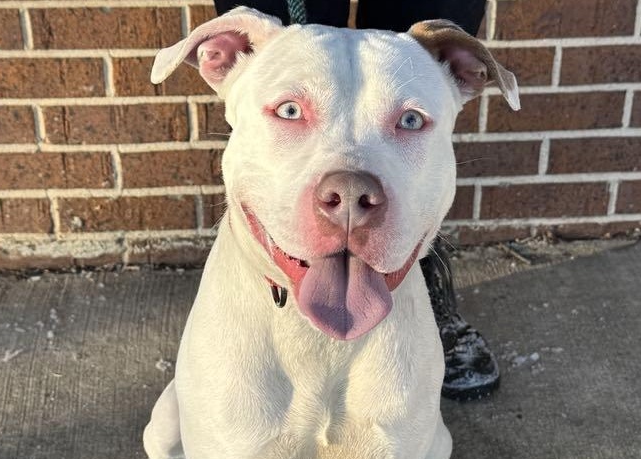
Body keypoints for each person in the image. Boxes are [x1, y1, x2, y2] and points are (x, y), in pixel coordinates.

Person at [213, 0, 498, 400]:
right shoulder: (253, 46)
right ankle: (243, 298)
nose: (350, 194)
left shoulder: (437, 61)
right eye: (289, 111)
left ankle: (425, 292)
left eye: (410, 120)